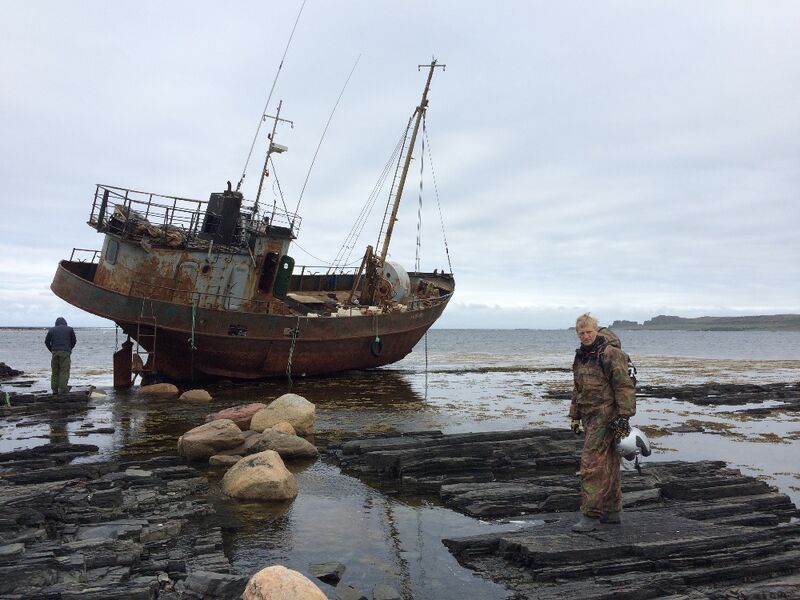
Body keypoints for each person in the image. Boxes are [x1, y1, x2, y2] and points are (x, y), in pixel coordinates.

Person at [569, 313, 635, 532]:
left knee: (591, 464)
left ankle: (591, 515)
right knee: (609, 462)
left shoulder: (611, 354)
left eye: (589, 332)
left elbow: (624, 386)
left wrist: (624, 416)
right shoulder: (581, 356)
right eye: (581, 333)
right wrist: (575, 416)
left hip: (607, 415)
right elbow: (578, 388)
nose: (586, 336)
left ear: (596, 330)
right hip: (589, 415)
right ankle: (612, 511)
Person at [45, 317, 77, 394]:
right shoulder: (70, 329)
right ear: (65, 323)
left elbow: (46, 342)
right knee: (64, 371)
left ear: (56, 323)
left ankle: (54, 390)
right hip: (65, 352)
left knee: (55, 371)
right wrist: (69, 349)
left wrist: (52, 350)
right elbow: (74, 341)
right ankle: (62, 389)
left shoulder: (51, 330)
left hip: (55, 352)